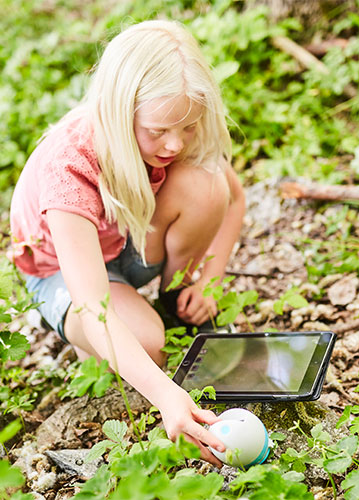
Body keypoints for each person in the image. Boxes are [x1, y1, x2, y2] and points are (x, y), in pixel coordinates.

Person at [7, 20, 245, 465]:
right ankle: (96, 343)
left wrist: (207, 280)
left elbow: (233, 200)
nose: (174, 143)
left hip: (125, 242)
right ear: (120, 111)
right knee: (145, 342)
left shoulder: (174, 127)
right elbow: (92, 305)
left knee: (207, 183)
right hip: (66, 273)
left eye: (188, 127)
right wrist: (167, 397)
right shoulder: (70, 166)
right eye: (158, 131)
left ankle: (176, 304)